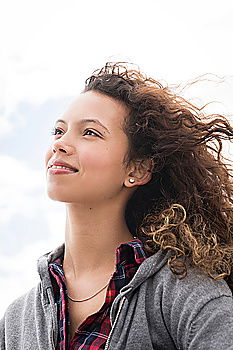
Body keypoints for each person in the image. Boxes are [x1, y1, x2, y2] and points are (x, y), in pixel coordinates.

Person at [1, 62, 233, 350]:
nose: (60, 144)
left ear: (137, 169)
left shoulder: (188, 294)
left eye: (89, 133)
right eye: (58, 131)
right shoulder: (15, 320)